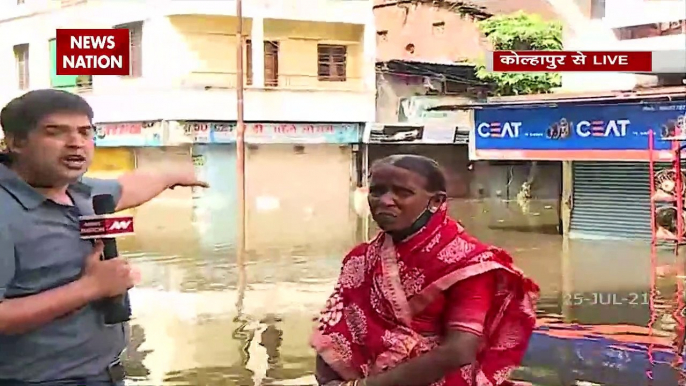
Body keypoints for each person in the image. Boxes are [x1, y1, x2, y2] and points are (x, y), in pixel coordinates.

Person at [0, 89, 208, 385]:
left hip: (103, 375)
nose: (76, 142)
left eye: (85, 132)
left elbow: (128, 188)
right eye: (55, 132)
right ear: (17, 142)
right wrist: (91, 287)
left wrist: (172, 175)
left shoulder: (79, 191)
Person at [311, 154, 539, 386]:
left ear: (436, 201)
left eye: (402, 192)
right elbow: (333, 330)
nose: (386, 201)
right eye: (377, 191)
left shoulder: (469, 263)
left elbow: (460, 350)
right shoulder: (360, 258)